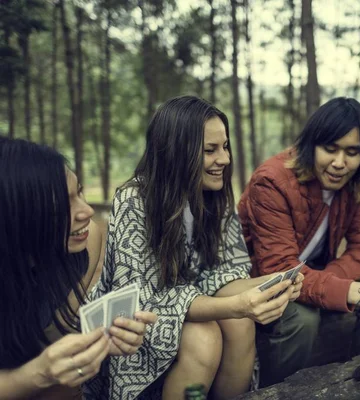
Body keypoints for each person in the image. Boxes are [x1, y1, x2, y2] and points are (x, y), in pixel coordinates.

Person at [84, 96, 303, 400]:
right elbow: (142, 301)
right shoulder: (135, 200)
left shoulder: (216, 196)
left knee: (239, 326)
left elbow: (225, 273)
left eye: (225, 147)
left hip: (187, 306)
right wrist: (238, 305)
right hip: (134, 328)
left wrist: (271, 284)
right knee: (205, 337)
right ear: (177, 153)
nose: (224, 159)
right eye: (210, 150)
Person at [238, 97, 360, 387]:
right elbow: (277, 266)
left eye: (352, 152)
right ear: (311, 145)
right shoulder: (272, 181)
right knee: (302, 318)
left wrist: (330, 284)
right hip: (261, 283)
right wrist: (351, 291)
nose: (340, 163)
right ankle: (278, 391)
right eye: (330, 149)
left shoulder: (353, 184)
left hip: (309, 276)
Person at [0, 137, 156, 399]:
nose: (86, 211)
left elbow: (58, 347)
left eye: (79, 192)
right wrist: (39, 373)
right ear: (15, 217)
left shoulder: (85, 243)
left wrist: (106, 340)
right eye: (60, 205)